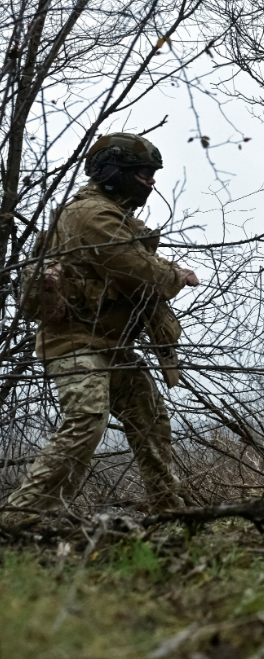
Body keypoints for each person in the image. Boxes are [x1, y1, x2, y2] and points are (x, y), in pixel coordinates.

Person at [5, 132, 199, 516]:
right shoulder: (91, 214)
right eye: (143, 173)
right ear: (114, 172)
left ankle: (169, 512)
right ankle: (19, 517)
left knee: (150, 420)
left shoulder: (112, 212)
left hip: (110, 346)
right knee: (87, 420)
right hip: (75, 343)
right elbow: (137, 269)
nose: (151, 182)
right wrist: (175, 274)